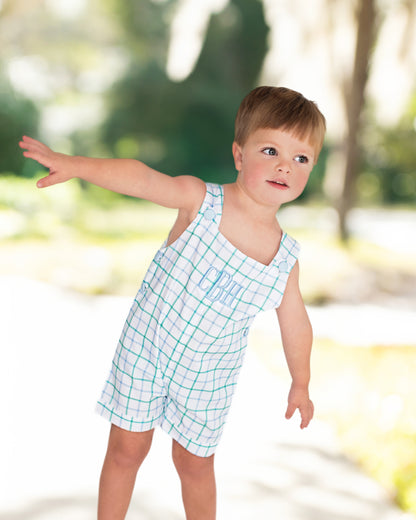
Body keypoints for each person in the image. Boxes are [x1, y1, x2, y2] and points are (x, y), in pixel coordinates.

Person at [20, 85, 326, 520]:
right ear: (239, 155)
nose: (284, 166)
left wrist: (301, 381)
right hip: (149, 348)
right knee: (127, 448)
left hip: (209, 375)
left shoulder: (284, 258)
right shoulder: (200, 201)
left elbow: (295, 324)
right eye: (271, 149)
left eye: (301, 158)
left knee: (195, 464)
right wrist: (77, 166)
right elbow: (142, 178)